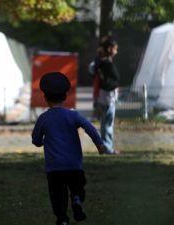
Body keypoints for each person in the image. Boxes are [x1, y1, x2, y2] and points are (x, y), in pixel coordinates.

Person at [31, 72, 105, 225]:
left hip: (54, 168)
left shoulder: (43, 119)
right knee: (78, 186)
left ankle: (62, 219)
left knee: (58, 195)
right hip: (73, 165)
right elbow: (89, 128)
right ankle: (77, 200)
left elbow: (36, 140)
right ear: (65, 97)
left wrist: (41, 142)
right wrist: (99, 144)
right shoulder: (73, 116)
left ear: (45, 98)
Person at [94, 38, 120, 154]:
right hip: (108, 97)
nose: (116, 52)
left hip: (103, 96)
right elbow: (112, 80)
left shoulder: (100, 62)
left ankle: (105, 147)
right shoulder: (107, 64)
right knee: (108, 124)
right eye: (115, 49)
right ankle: (108, 148)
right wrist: (115, 85)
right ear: (109, 49)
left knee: (104, 123)